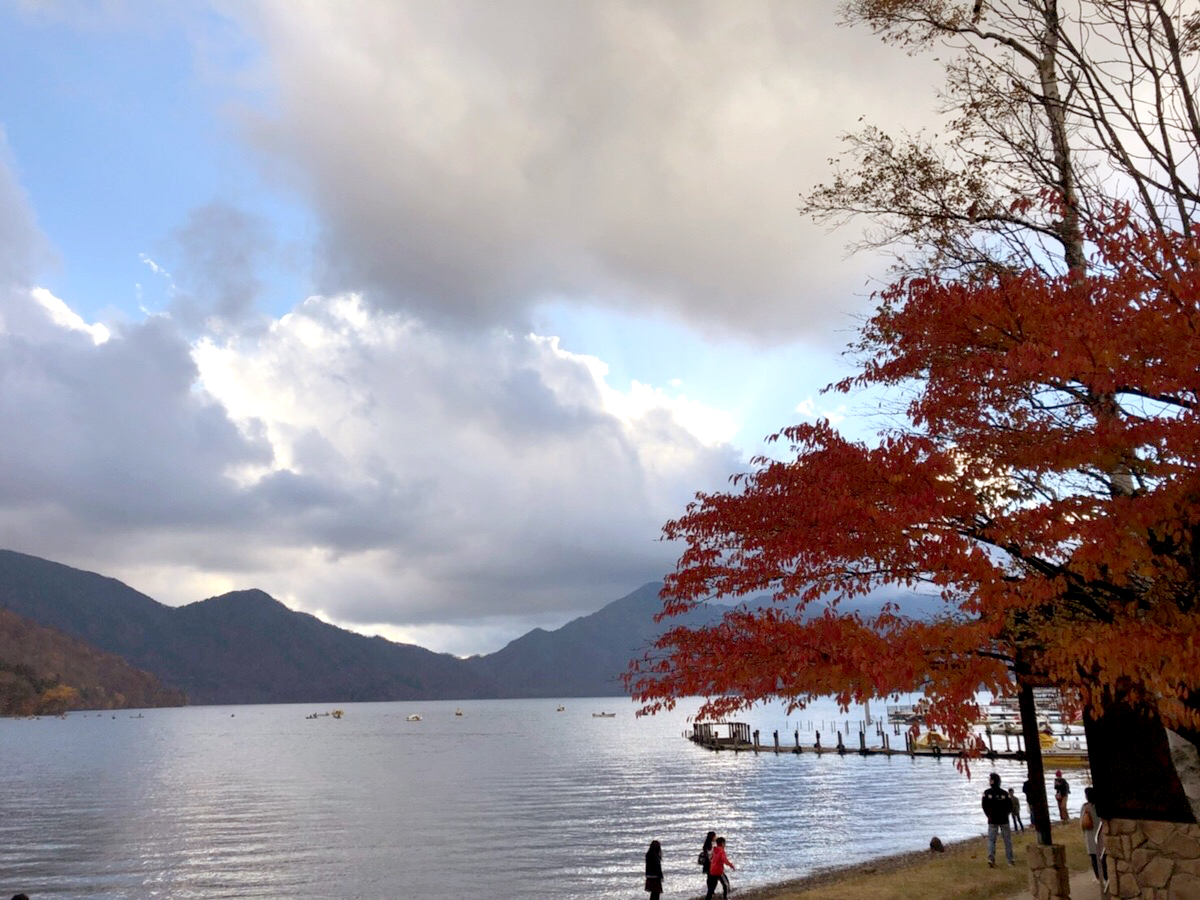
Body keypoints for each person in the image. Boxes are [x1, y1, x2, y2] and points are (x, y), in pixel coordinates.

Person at [983, 772, 1015, 867]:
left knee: (992, 840)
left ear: (993, 781)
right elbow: (1010, 806)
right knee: (1007, 840)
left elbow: (984, 806)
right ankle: (1010, 860)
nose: (989, 781)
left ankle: (991, 858)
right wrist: (1006, 814)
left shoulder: (987, 793)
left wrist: (988, 815)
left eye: (990, 779)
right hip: (1004, 819)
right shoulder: (1004, 794)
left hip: (993, 819)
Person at [1080, 787, 1101, 880]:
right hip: (1100, 835)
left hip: (1090, 836)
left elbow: (1082, 823)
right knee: (1102, 857)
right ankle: (1105, 876)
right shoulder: (1099, 806)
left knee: (1094, 858)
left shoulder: (1085, 807)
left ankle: (1098, 877)